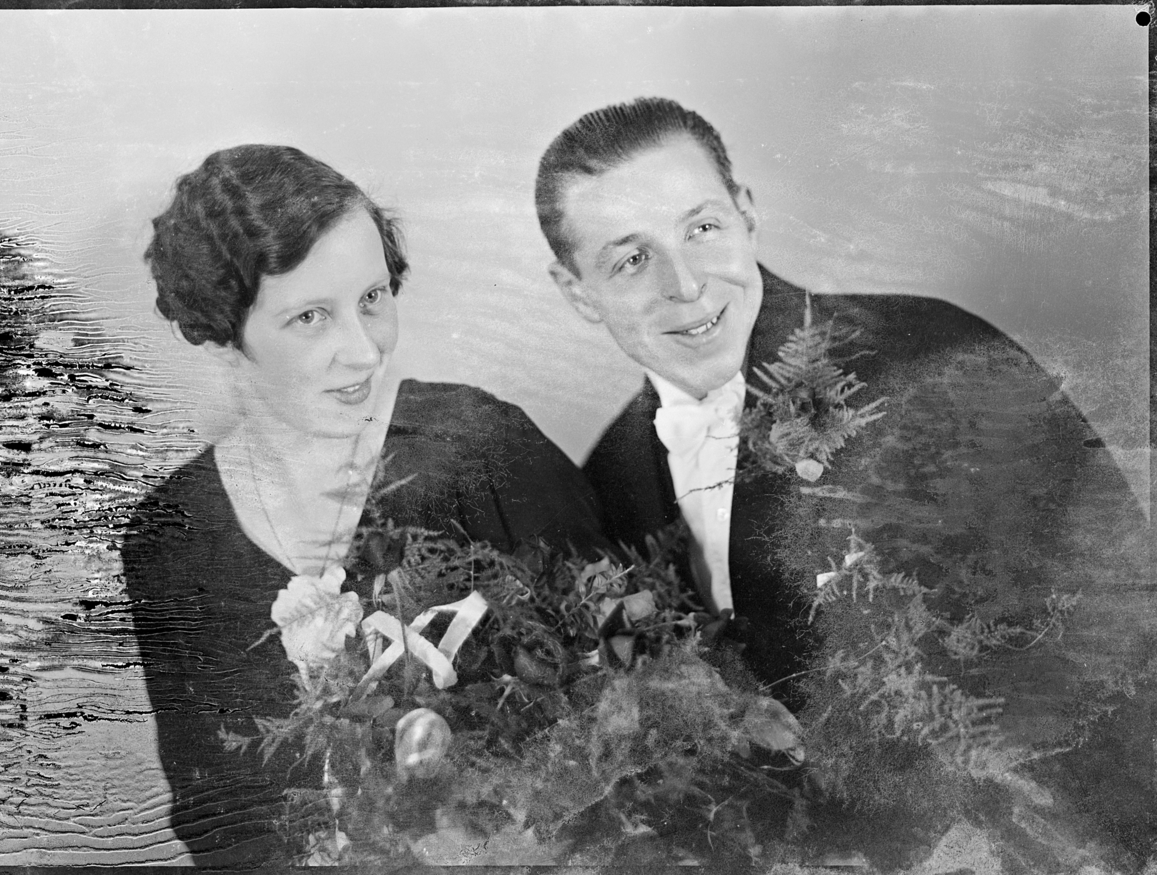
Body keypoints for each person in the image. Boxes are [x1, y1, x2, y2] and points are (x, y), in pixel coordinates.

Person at [535, 97, 1152, 854]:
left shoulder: (934, 356)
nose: (686, 284)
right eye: (631, 260)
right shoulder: (604, 485)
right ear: (576, 291)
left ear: (746, 213)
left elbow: (1119, 643)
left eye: (701, 229)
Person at [122, 144, 608, 866]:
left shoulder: (484, 448)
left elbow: (635, 704)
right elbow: (218, 816)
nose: (363, 350)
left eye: (373, 299)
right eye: (310, 317)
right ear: (222, 335)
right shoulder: (173, 537)